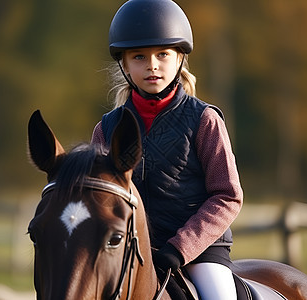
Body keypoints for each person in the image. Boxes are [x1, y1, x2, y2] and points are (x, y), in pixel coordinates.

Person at [91, 0, 243, 299]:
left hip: (201, 254)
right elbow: (97, 200)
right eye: (139, 56)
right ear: (124, 65)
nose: (152, 65)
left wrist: (180, 247)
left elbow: (228, 196)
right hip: (130, 251)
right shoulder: (106, 130)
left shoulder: (205, 120)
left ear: (179, 59)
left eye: (162, 54)